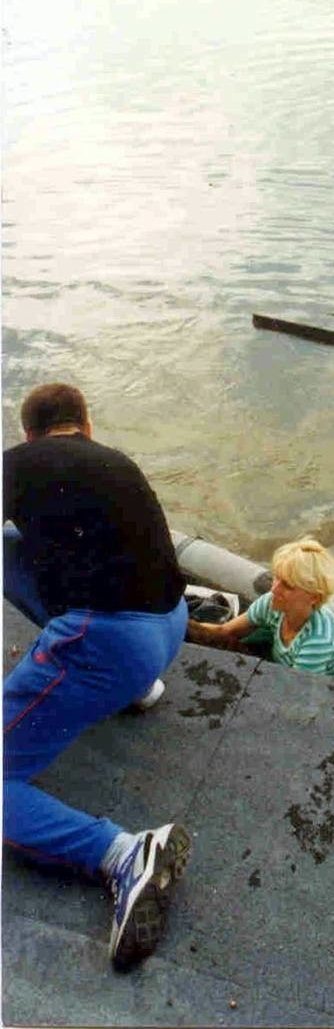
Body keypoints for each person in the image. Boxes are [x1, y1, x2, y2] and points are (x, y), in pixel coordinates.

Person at [3, 383, 192, 969]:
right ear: (84, 423)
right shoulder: (114, 461)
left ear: (27, 434)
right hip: (168, 629)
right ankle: (136, 690)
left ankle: (123, 853)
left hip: (107, 642)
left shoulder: (15, 466)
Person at [188, 537, 334, 684]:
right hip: (287, 661)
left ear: (314, 597)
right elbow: (224, 631)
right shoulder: (271, 603)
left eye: (287, 585)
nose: (274, 589)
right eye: (276, 579)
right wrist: (185, 627)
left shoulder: (318, 643)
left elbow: (293, 693)